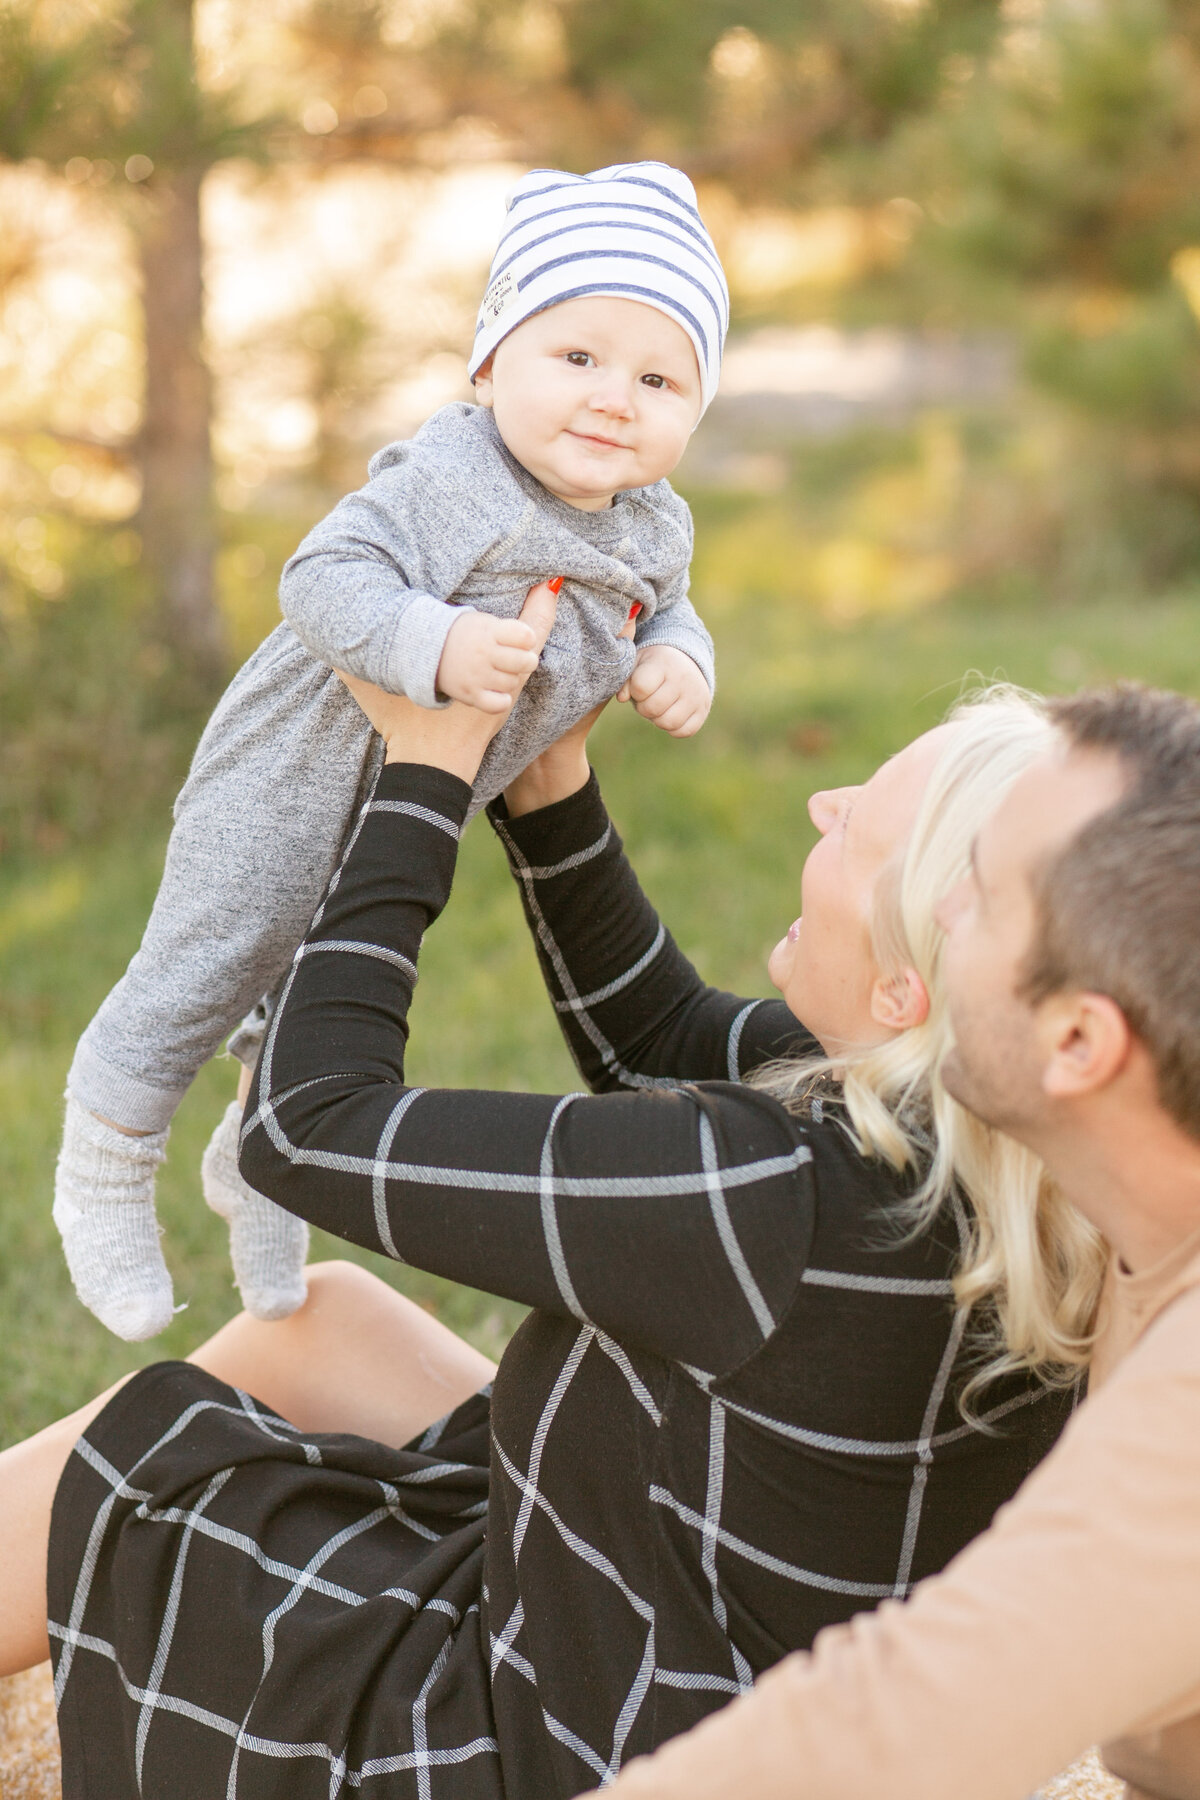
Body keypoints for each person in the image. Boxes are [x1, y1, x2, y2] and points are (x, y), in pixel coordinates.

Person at [2, 626, 1106, 1798]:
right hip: (742, 1669)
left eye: (857, 830)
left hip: (564, 1752)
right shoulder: (992, 1122)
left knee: (148, 1452)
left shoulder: (770, 1199)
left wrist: (417, 780)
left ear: (904, 982)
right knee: (330, 1325)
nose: (823, 805)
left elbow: (306, 1127)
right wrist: (546, 786)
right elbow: (662, 1043)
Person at [53, 159, 726, 1344]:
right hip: (290, 771)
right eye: (576, 357)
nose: (616, 396)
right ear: (487, 365)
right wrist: (438, 639)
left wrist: (682, 657)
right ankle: (107, 1153)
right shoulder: (460, 475)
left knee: (322, 990)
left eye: (661, 377)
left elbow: (665, 604)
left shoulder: (653, 521)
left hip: (414, 802)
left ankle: (258, 1176)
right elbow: (320, 575)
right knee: (215, 962)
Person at [597, 681, 1200, 1800]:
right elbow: (679, 1036)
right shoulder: (1121, 1193)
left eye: (981, 894)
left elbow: (902, 1722)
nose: (938, 909)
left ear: (1079, 1041)